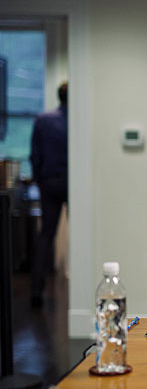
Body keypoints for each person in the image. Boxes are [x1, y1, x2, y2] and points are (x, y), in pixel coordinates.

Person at [29, 82, 68, 306]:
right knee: (84, 234)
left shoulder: (43, 120)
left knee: (46, 235)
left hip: (49, 182)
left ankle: (36, 290)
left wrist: (39, 178)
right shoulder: (78, 122)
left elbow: (34, 155)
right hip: (73, 182)